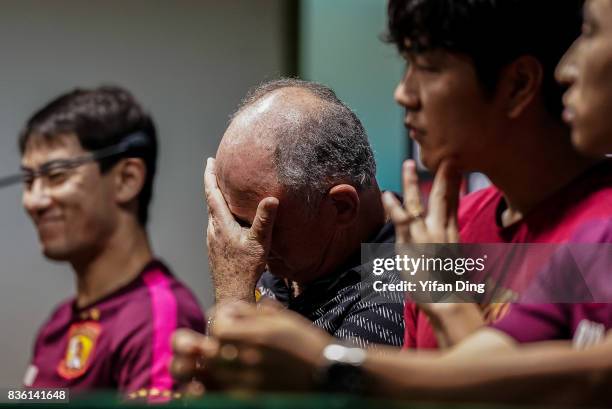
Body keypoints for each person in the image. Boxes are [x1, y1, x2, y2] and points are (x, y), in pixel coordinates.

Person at [171, 0, 612, 406]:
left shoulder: (596, 228)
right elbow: (478, 366)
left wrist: (323, 362)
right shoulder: (450, 228)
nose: (403, 92)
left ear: (518, 84)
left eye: (428, 66)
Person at [20, 86, 205, 400]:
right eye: (28, 181)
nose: (33, 200)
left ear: (127, 179)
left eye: (56, 176)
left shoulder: (158, 315)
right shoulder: (58, 322)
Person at [202, 79, 404, 347]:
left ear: (341, 207)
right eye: (235, 221)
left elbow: (240, 387)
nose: (241, 245)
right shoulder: (286, 259)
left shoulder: (422, 279)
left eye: (264, 226)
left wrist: (233, 297)